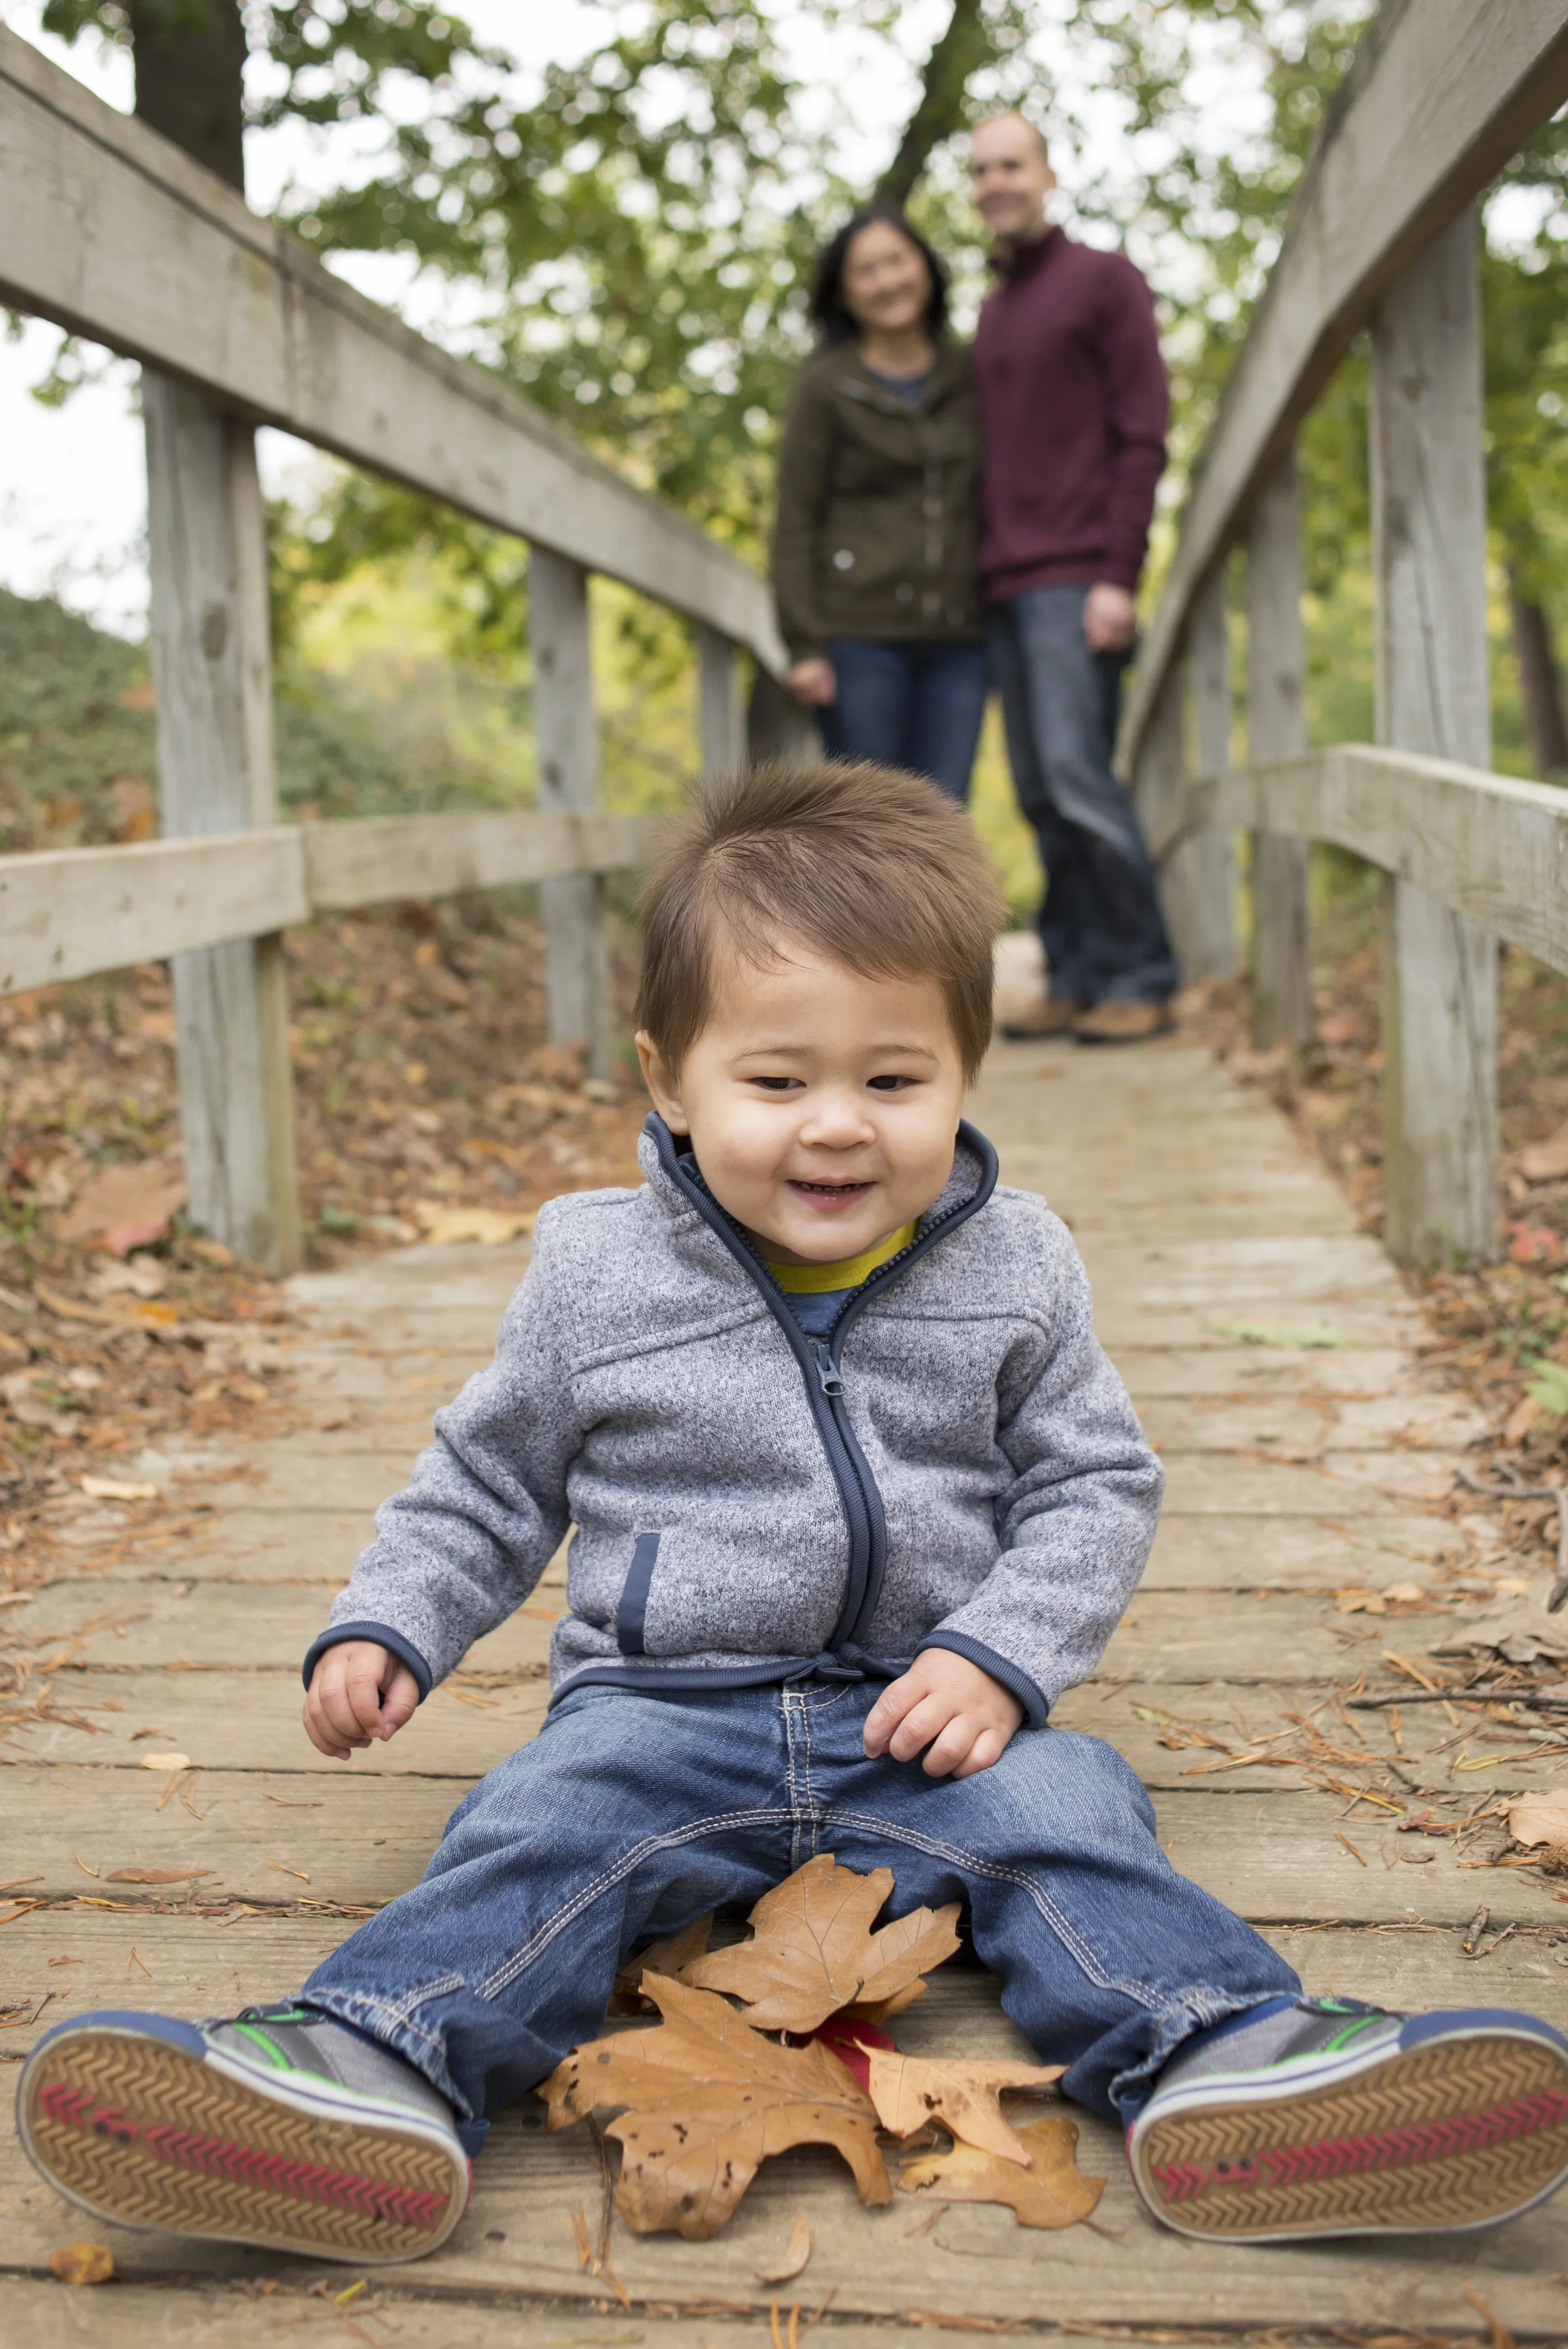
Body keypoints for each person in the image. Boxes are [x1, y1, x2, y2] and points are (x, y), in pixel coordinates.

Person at [17, 762, 1568, 2266]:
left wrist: (1003, 1657)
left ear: (964, 1073)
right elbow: (484, 1483)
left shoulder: (1016, 1265)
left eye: (894, 1081)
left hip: (928, 1718)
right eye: (776, 1081)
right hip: (661, 1709)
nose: (837, 1125)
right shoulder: (595, 1278)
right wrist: (392, 1622)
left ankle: (1235, 2059)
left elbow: (1094, 1483)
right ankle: (365, 2063)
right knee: (534, 1833)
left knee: (1073, 1824)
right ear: (666, 1078)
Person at [970, 112, 1180, 1043]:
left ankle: (1142, 971)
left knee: (1079, 777)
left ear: (1048, 174)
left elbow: (1143, 433)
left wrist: (1118, 575)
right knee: (1040, 792)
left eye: (1010, 165)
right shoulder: (995, 308)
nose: (994, 184)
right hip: (1003, 587)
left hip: (1077, 579)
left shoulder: (1103, 280)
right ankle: (1079, 970)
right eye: (979, 171)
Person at [772, 209, 987, 800]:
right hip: (857, 639)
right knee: (871, 821)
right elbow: (795, 520)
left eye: (897, 260)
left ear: (926, 268)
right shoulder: (825, 386)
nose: (887, 280)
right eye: (867, 270)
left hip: (959, 639)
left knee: (944, 820)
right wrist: (805, 646)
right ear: (844, 292)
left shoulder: (972, 373)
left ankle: (948, 903)